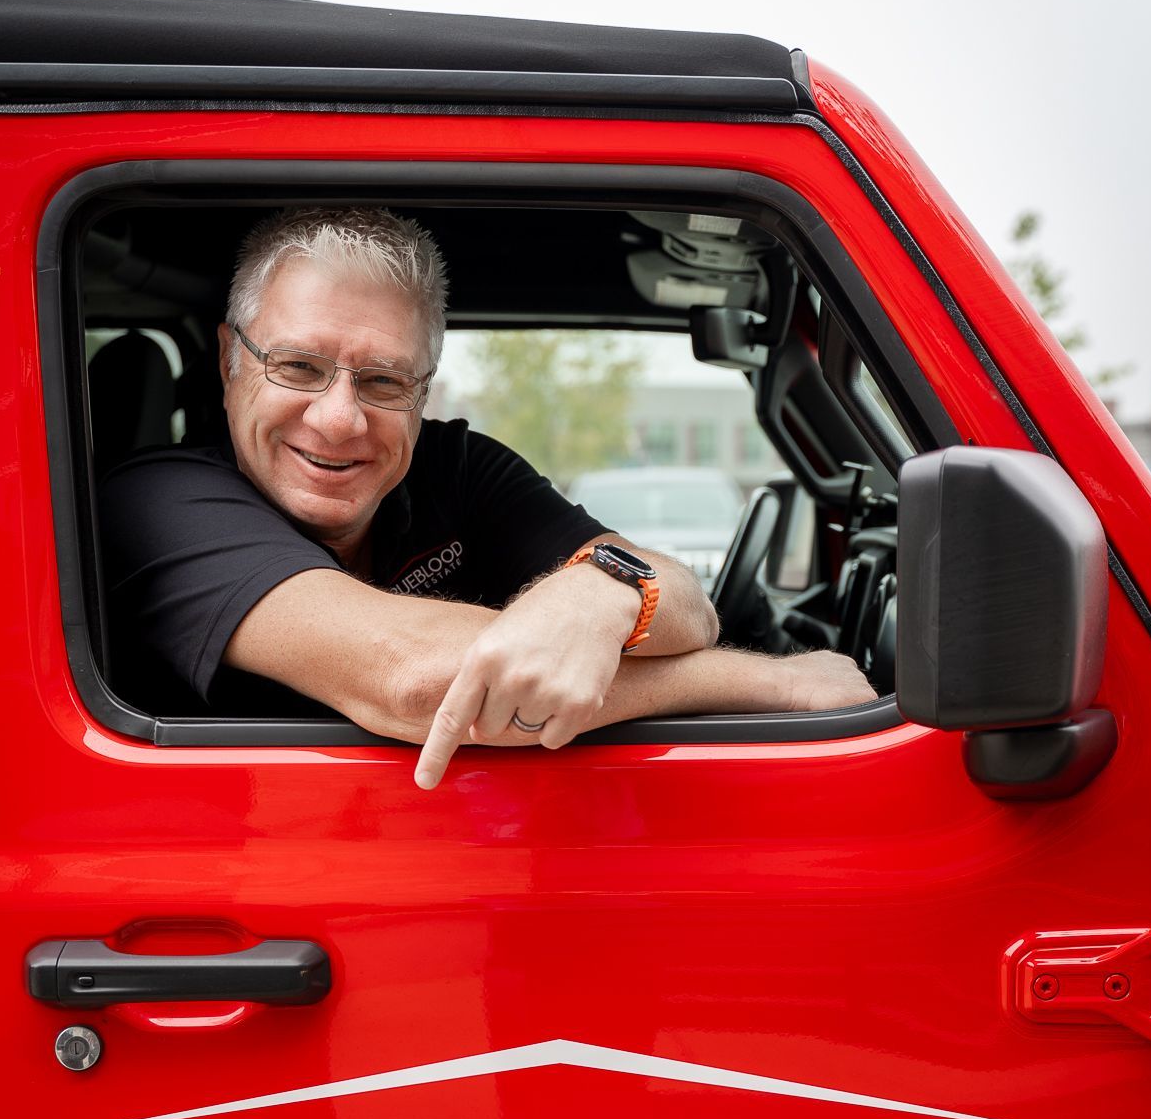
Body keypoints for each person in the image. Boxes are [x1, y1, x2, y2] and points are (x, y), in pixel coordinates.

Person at [99, 207, 876, 787]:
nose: (339, 418)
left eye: (382, 381)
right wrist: (775, 683)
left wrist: (596, 599)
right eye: (298, 367)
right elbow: (419, 682)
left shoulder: (453, 465)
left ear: (421, 391)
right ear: (232, 358)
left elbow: (683, 601)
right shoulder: (157, 504)